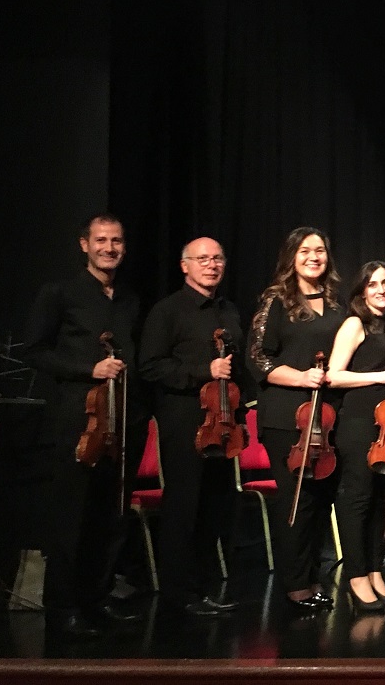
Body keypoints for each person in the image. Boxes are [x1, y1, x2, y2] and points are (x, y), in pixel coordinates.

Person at [23, 214, 145, 636]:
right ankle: (63, 607)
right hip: (78, 421)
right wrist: (87, 369)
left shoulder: (129, 299)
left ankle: (97, 599)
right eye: (101, 240)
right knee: (71, 518)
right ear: (84, 245)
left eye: (116, 241)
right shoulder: (59, 293)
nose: (109, 248)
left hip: (122, 421)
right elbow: (35, 351)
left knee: (110, 518)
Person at [139, 236, 256, 616]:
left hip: (224, 423)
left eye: (217, 258)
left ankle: (205, 588)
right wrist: (203, 371)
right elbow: (150, 366)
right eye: (202, 259)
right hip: (184, 423)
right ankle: (178, 594)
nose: (211, 265)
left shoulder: (229, 311)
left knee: (215, 508)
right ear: (184, 265)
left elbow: (238, 368)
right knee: (184, 508)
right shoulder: (167, 311)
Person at [248, 227, 345, 612]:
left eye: (320, 250)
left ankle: (312, 577)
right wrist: (301, 377)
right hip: (287, 416)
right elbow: (258, 357)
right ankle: (295, 585)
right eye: (305, 251)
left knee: (321, 502)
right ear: (291, 256)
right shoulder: (276, 300)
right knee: (297, 500)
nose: (313, 257)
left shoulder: (336, 303)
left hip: (327, 418)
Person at [326, 261, 385, 612]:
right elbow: (333, 376)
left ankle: (375, 572)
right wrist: (380, 376)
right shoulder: (353, 324)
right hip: (359, 424)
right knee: (357, 501)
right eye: (373, 284)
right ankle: (356, 577)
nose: (381, 289)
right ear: (362, 291)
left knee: (379, 502)